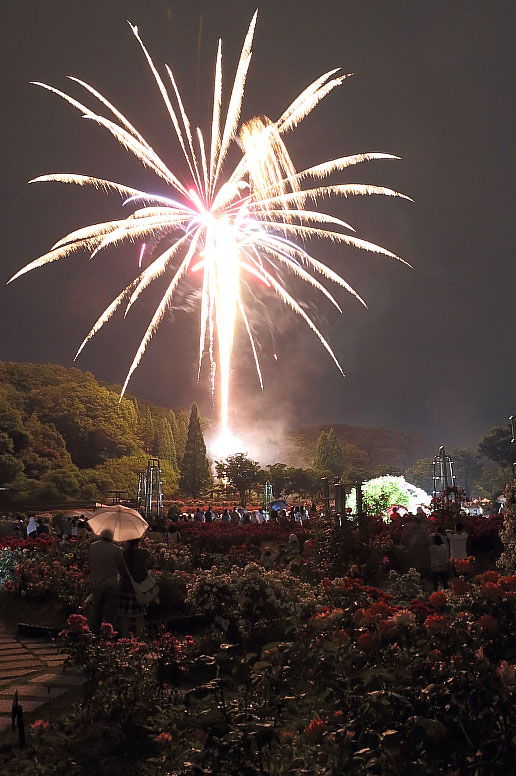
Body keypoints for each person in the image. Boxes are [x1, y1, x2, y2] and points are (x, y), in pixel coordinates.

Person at [88, 529, 123, 635]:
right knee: (110, 613)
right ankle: (108, 634)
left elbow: (90, 561)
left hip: (96, 583)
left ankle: (94, 634)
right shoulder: (116, 549)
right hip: (111, 584)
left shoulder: (93, 546)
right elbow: (121, 566)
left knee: (96, 611)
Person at [118, 537, 151, 637]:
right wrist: (142, 539)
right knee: (140, 616)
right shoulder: (143, 553)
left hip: (126, 587)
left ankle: (124, 639)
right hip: (139, 588)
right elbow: (149, 550)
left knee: (125, 617)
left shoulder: (124, 553)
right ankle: (138, 638)